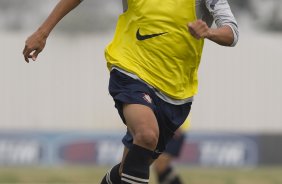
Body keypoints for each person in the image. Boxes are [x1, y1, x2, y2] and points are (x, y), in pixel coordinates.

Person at [23, 0, 239, 183]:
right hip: (130, 70)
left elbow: (232, 32)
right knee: (146, 135)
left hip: (176, 93)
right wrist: (43, 32)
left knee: (128, 169)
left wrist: (209, 32)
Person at [153, 116, 191, 184]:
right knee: (158, 166)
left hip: (175, 129)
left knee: (161, 163)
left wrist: (178, 127)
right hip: (166, 129)